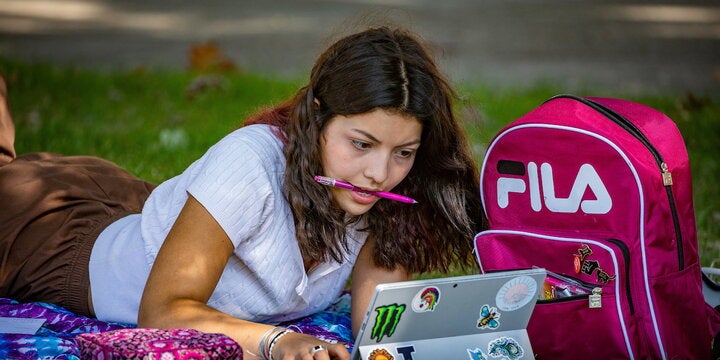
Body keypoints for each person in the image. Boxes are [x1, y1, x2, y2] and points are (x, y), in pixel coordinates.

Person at [0, 26, 485, 359]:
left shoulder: (386, 190)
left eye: (404, 151)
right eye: (361, 144)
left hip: (139, 208)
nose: (381, 173)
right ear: (316, 115)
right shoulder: (249, 163)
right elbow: (162, 311)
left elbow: (380, 321)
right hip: (55, 245)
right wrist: (276, 343)